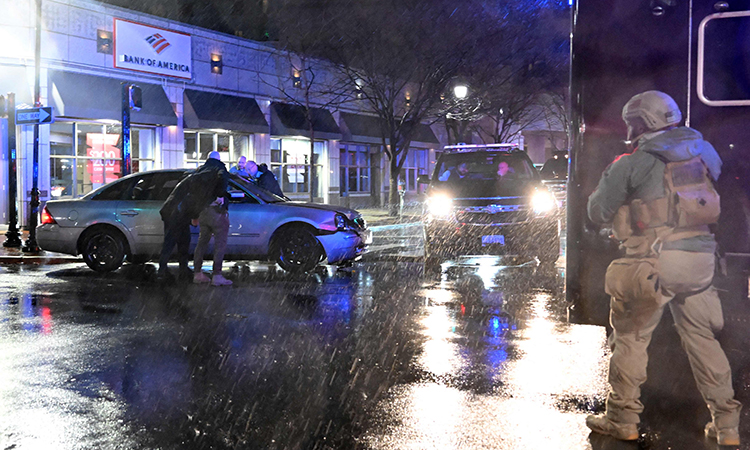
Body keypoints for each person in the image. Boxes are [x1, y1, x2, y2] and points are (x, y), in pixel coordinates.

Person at [585, 91, 741, 446]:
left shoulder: (631, 162)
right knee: (704, 342)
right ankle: (727, 425)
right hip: (700, 263)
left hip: (652, 264)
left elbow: (597, 212)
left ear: (645, 123)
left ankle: (622, 419)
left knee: (631, 340)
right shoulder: (706, 152)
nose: (629, 128)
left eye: (633, 122)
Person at [158, 152, 228, 283]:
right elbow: (194, 200)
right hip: (176, 212)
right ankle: (163, 271)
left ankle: (181, 269)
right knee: (172, 241)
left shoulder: (197, 174)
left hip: (173, 210)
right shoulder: (211, 175)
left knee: (182, 241)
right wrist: (195, 216)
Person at [192, 151, 232, 287]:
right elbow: (223, 182)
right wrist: (220, 196)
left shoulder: (200, 171)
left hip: (203, 210)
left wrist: (195, 213)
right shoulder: (220, 169)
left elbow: (194, 191)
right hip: (216, 210)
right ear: (219, 159)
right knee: (220, 243)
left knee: (202, 242)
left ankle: (197, 273)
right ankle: (217, 275)